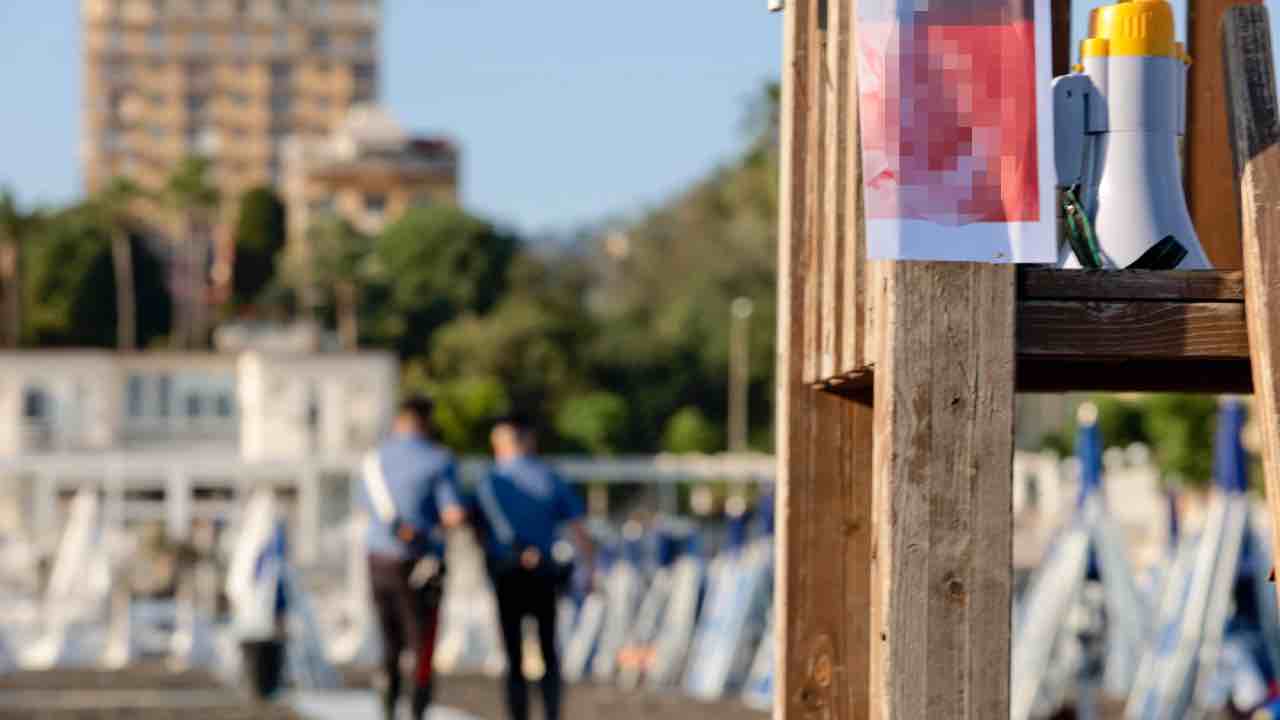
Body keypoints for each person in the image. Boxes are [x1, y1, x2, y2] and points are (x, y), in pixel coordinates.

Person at [472, 414, 593, 720]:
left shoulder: (488, 482)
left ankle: (519, 714)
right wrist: (588, 570)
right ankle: (551, 713)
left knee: (513, 654)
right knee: (548, 649)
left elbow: (475, 528)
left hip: (506, 574)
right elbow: (578, 528)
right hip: (544, 573)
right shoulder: (550, 477)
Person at [359, 396, 465, 720]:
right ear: (428, 421)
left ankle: (387, 710)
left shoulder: (374, 461)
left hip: (378, 561)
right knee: (421, 646)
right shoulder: (439, 460)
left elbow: (364, 509)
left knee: (388, 643)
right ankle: (417, 712)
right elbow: (453, 514)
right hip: (421, 564)